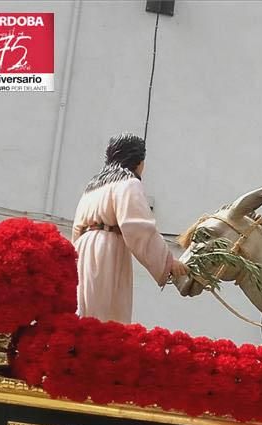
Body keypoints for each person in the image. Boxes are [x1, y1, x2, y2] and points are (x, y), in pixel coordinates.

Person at [72, 132, 187, 323]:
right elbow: (138, 227)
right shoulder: (128, 183)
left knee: (84, 306)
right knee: (104, 315)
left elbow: (77, 228)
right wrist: (167, 262)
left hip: (82, 251)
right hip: (106, 251)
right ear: (138, 161)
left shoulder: (92, 188)